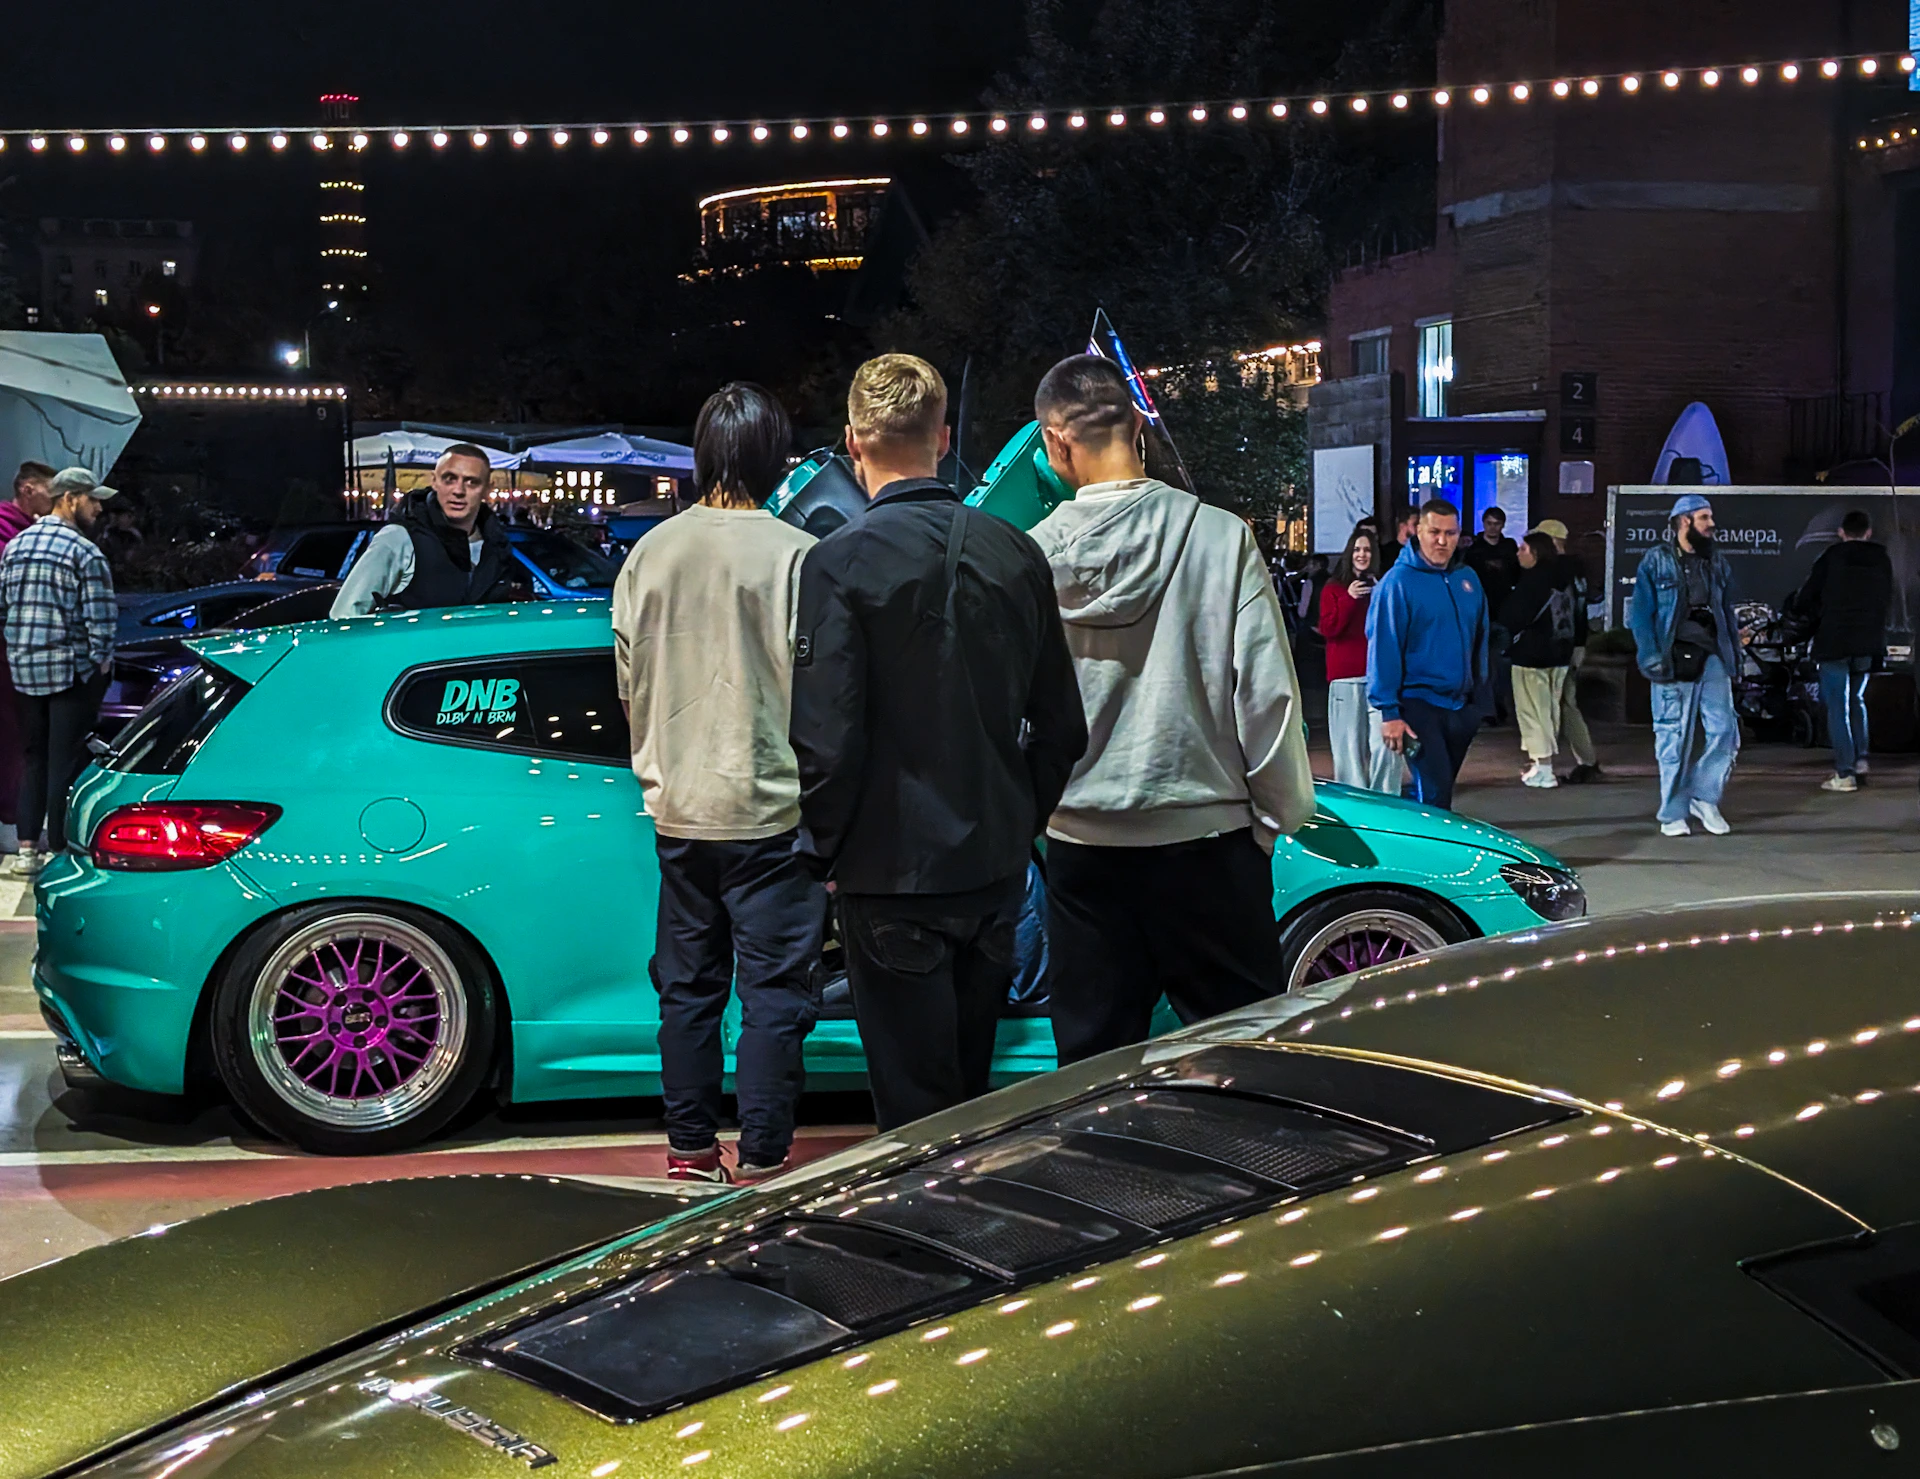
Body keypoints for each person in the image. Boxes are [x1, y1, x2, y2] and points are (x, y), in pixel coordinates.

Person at [789, 353, 1086, 1131]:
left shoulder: (836, 563)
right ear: (944, 435)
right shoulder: (1015, 552)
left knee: (911, 1110)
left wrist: (820, 853)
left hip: (888, 870)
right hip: (992, 868)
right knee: (968, 1089)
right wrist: (1018, 821)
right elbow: (1063, 725)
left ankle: (926, 1213)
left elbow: (827, 739)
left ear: (853, 442)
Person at [1026, 355, 1314, 1065]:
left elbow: (1018, 709)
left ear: (1056, 442)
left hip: (1083, 846)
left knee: (1093, 1068)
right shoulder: (1219, 536)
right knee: (1242, 1057)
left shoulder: (1032, 558)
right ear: (1137, 426)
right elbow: (1267, 694)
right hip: (1207, 839)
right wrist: (1277, 818)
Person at [613, 383, 826, 1184]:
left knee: (687, 991)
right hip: (773, 810)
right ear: (775, 458)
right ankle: (765, 1154)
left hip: (680, 807)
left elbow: (629, 684)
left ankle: (690, 1151)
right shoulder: (798, 554)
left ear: (703, 455)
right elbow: (822, 697)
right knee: (775, 994)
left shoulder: (651, 553)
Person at [0, 468, 116, 875]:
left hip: (24, 671)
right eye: (92, 499)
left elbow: (3, 610)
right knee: (63, 763)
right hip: (69, 672)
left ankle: (27, 851)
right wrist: (99, 665)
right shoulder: (84, 553)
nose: (98, 508)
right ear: (69, 499)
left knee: (33, 758)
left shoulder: (15, 547)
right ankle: (60, 851)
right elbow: (101, 622)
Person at [1628, 493, 1741, 836]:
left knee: (1725, 730)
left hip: (1712, 656)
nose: (1712, 524)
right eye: (1705, 517)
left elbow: (1727, 612)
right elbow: (1641, 614)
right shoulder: (1657, 560)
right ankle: (1673, 812)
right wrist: (1650, 657)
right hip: (1671, 657)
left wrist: (1734, 656)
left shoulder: (1717, 562)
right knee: (1673, 737)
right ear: (1684, 521)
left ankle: (1704, 797)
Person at [1367, 498, 1490, 810]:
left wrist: (1479, 699)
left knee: (1440, 791)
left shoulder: (1468, 579)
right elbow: (1384, 647)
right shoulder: (1397, 583)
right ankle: (1425, 840)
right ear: (1417, 531)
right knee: (1436, 795)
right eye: (1434, 532)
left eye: (1450, 533)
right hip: (1417, 704)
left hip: (1460, 706)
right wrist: (1390, 713)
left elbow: (1481, 638)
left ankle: (1412, 830)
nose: (1442, 541)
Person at [331, 444, 517, 615]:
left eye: (471, 482)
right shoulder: (399, 539)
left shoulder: (497, 546)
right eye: (449, 479)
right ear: (434, 481)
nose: (458, 491)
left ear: (488, 489)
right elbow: (345, 615)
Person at [1792, 508, 1893, 793]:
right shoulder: (1882, 559)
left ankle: (1844, 772)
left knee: (1838, 706)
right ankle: (1861, 761)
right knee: (1857, 700)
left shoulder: (1831, 557)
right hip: (1868, 642)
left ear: (1841, 532)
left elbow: (1806, 598)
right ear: (1868, 532)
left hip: (1834, 641)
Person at [1320, 523, 1400, 792]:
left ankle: (1386, 798)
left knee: (1386, 745)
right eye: (1357, 550)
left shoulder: (1382, 586)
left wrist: (1378, 594)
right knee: (1349, 748)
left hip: (1378, 677)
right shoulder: (1333, 589)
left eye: (1366, 550)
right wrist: (1349, 599)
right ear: (1349, 554)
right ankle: (1355, 798)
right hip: (1345, 678)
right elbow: (1329, 629)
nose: (1362, 555)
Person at [0, 464, 54, 856]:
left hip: (19, 650)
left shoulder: (25, 532)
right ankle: (10, 822)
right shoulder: (8, 533)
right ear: (27, 488)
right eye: (49, 490)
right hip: (7, 649)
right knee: (12, 735)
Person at [1500, 531, 1579, 788]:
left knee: (1533, 712)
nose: (1518, 553)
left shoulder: (1531, 582)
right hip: (1560, 652)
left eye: (1523, 549)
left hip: (1531, 655)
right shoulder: (1565, 578)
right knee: (1550, 710)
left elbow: (1512, 617)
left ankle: (1544, 768)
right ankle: (1541, 764)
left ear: (1536, 553)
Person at [1534, 519, 1603, 783]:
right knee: (1566, 703)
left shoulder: (1556, 571)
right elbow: (1580, 611)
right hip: (1574, 644)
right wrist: (1580, 644)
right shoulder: (1576, 572)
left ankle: (1549, 763)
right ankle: (1586, 760)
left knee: (1555, 704)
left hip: (1559, 647)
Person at [1464, 506, 1521, 724]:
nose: (1493, 528)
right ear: (1483, 524)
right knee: (1484, 665)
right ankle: (1488, 708)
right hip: (1482, 613)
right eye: (1489, 523)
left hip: (1504, 612)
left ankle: (1497, 705)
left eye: (1496, 524)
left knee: (1502, 665)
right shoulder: (1474, 551)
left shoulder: (1509, 548)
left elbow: (1517, 576)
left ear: (1503, 525)